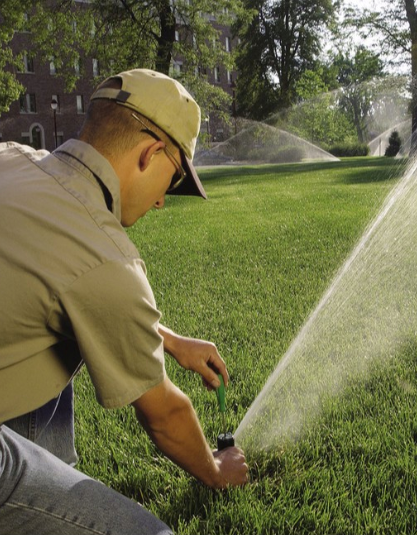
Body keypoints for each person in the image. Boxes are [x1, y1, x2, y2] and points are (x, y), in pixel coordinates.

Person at [0, 68, 248, 535]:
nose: (160, 204)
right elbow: (166, 415)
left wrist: (169, 341)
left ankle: (49, 475)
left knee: (54, 337)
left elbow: (56, 286)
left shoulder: (13, 158)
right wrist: (217, 471)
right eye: (172, 181)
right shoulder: (104, 254)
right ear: (151, 153)